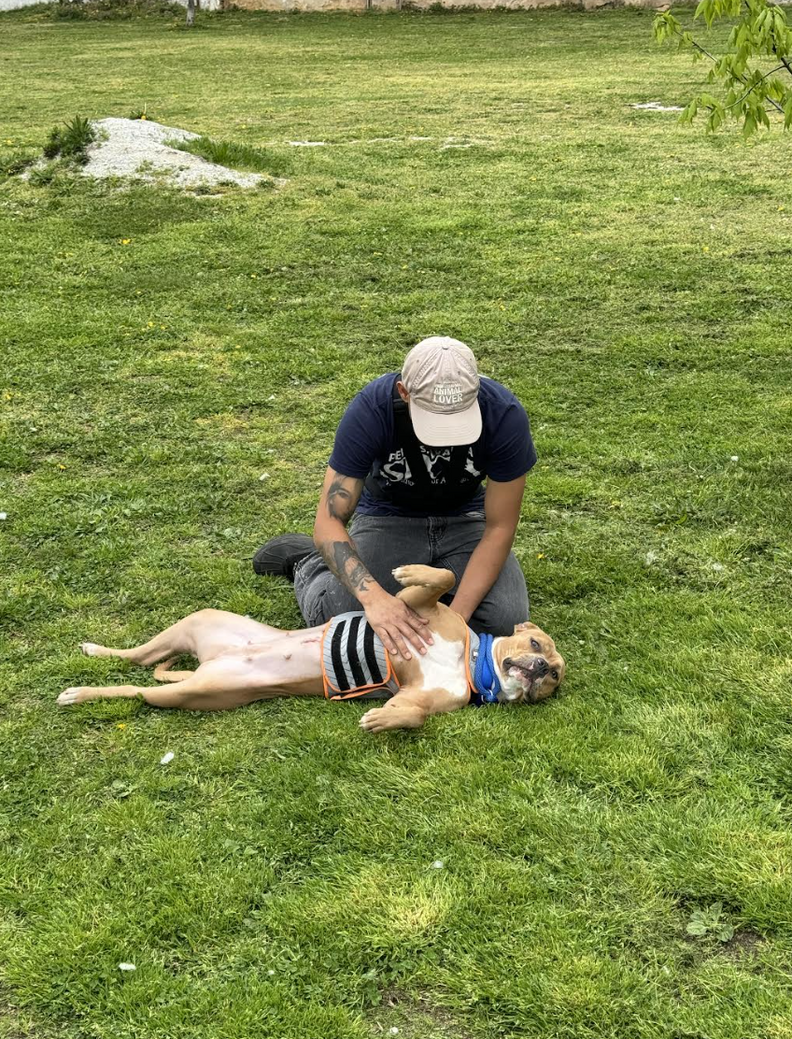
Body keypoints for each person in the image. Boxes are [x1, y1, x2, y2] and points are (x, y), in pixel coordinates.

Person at [253, 336, 537, 662]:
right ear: (404, 393)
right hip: (387, 519)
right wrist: (375, 601)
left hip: (466, 521)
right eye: (434, 418)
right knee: (344, 620)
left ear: (476, 393)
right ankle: (309, 564)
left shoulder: (503, 414)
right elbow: (329, 520)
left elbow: (499, 528)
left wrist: (454, 621)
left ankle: (428, 597)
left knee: (502, 622)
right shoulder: (372, 410)